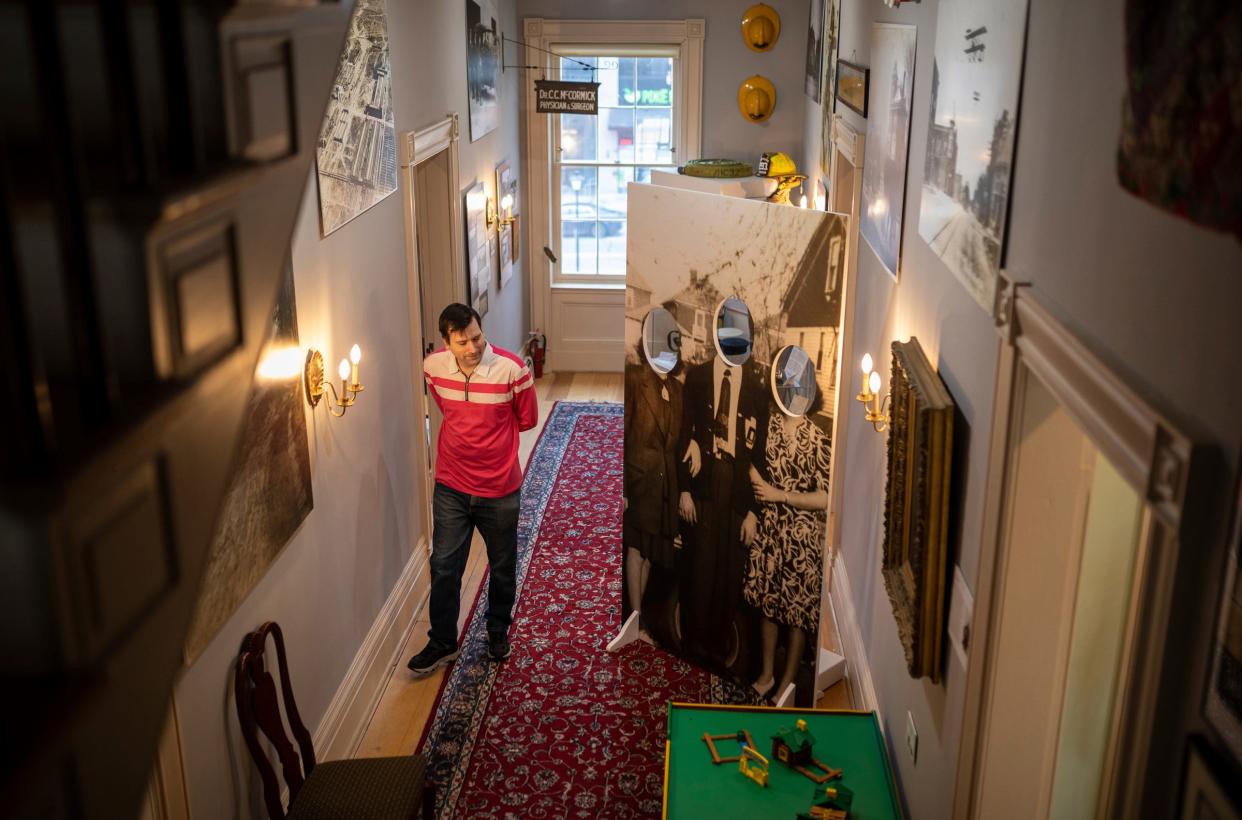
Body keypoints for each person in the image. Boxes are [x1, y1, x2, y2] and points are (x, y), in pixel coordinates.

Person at [407, 304, 538, 675]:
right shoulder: (431, 368)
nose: (472, 347)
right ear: (447, 342)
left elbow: (527, 419)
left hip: (499, 489)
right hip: (451, 484)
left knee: (501, 566)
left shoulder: (513, 370)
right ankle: (443, 641)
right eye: (462, 341)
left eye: (477, 338)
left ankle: (497, 630)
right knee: (444, 565)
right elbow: (445, 408)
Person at [676, 349, 768, 670]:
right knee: (700, 568)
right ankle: (693, 649)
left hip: (738, 488)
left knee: (728, 575)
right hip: (703, 481)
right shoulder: (698, 377)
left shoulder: (756, 389)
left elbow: (760, 457)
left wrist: (754, 512)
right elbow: (683, 433)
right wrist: (684, 490)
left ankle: (717, 650)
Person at [743, 389, 831, 702]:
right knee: (769, 606)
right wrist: (758, 481)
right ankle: (767, 677)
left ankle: (786, 687)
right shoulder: (769, 426)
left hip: (803, 540)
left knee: (796, 614)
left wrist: (780, 495)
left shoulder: (819, 438)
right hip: (772, 532)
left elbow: (825, 498)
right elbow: (751, 461)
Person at [622, 345, 683, 643]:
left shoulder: (677, 389)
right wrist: (621, 486)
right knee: (636, 549)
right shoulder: (635, 379)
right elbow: (621, 431)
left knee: (649, 556)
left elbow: (680, 438)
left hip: (665, 485)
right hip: (639, 479)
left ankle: (637, 621)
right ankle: (636, 622)